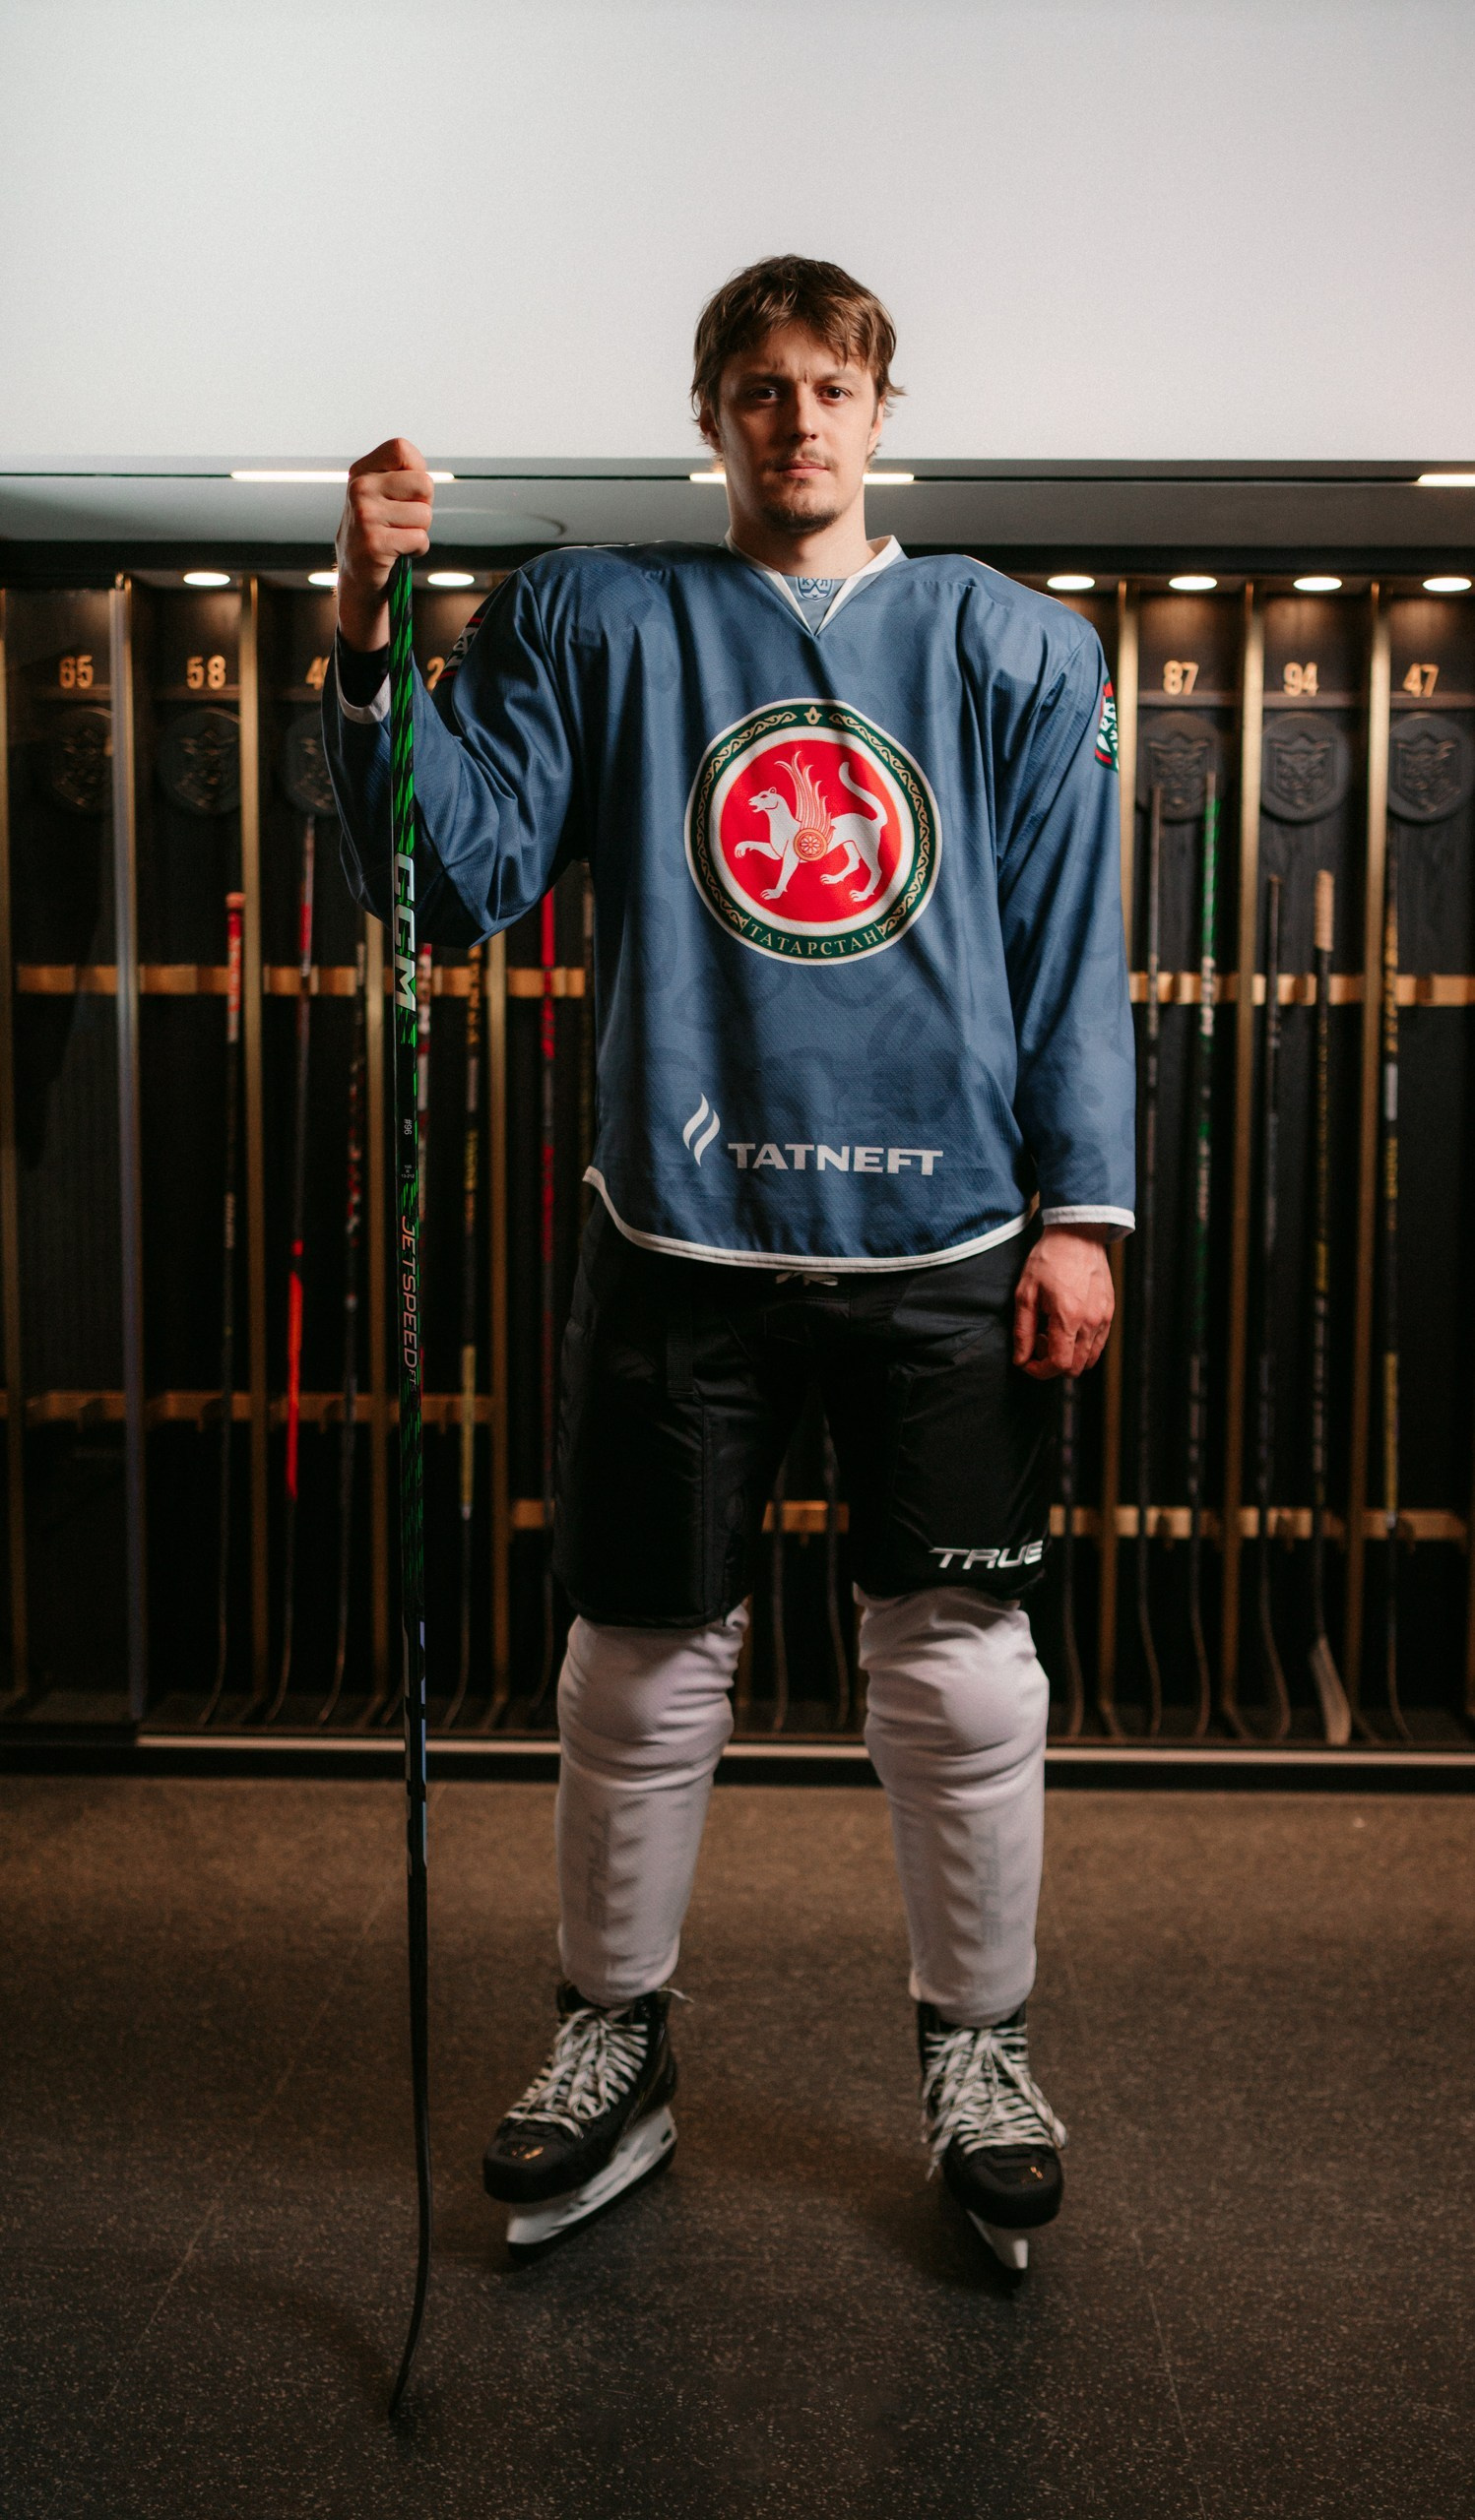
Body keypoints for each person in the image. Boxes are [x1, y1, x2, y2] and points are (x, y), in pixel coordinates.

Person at [324, 254, 1133, 2271]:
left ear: (878, 411)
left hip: (947, 1235)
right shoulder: (600, 619)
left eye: (828, 386)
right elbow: (455, 873)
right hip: (681, 1233)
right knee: (635, 1655)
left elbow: (1064, 944)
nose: (796, 420)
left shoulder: (1013, 645)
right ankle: (615, 2034)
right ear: (710, 417)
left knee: (960, 1666)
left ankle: (978, 2048)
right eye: (759, 388)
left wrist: (1081, 1212)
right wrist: (363, 640)